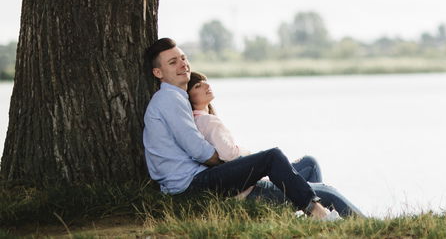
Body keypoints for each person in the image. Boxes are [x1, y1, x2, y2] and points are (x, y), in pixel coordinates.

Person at [142, 37, 341, 220]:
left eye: (183, 58)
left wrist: (239, 166)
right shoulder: (169, 98)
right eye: (172, 62)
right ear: (158, 72)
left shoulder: (175, 98)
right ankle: (317, 212)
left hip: (190, 181)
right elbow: (199, 150)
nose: (182, 64)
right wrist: (236, 163)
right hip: (189, 186)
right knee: (272, 157)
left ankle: (311, 214)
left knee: (296, 165)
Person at [186, 71, 362, 216]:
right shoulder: (207, 121)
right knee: (327, 191)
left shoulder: (202, 120)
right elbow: (230, 155)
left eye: (205, 81)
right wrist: (247, 152)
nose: (206, 86)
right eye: (197, 86)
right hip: (249, 190)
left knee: (309, 163)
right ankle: (363, 223)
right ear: (189, 97)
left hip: (248, 183)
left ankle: (309, 217)